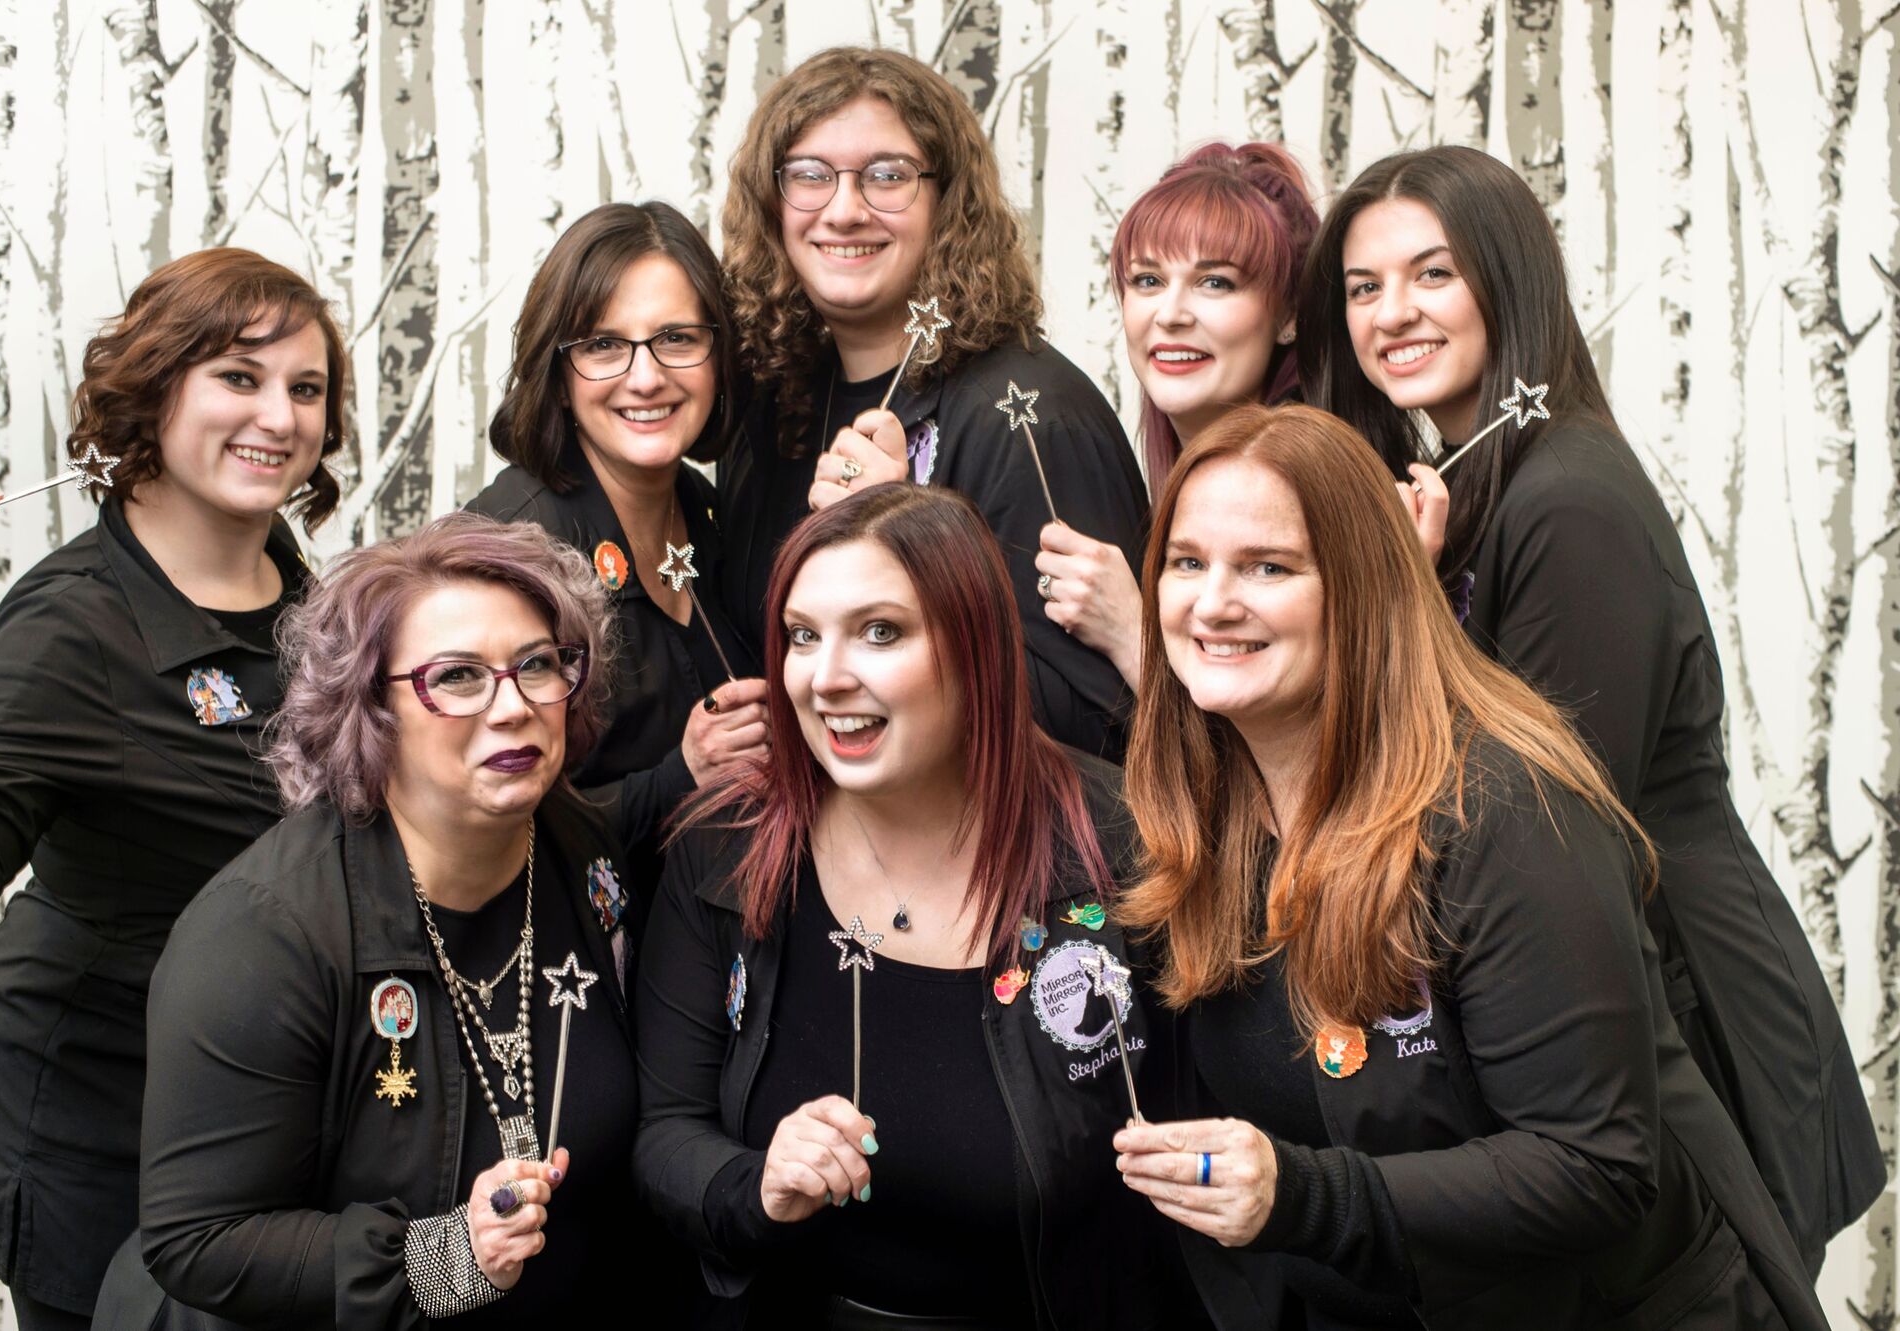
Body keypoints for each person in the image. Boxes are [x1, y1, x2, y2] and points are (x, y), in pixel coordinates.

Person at [1297, 144, 1881, 1275]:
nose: (1390, 313)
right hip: (1620, 988)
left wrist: (1402, 608)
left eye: (1431, 275)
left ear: (1505, 283)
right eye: (1362, 288)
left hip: (1687, 1006)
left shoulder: (1565, 498)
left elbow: (1549, 820)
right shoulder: (1479, 478)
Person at [1112, 403, 1825, 1329]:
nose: (1212, 603)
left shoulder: (1504, 806)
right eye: (1187, 562)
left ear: (1363, 588)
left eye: (1269, 567)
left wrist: (1302, 1195)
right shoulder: (1202, 808)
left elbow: (1594, 1164)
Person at [0, 249, 343, 1330]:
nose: (278, 415)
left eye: (306, 387)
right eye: (238, 377)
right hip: (88, 1123)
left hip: (243, 1119)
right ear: (154, 387)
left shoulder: (308, 594)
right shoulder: (73, 624)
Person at [634, 485, 1201, 1329]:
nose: (827, 678)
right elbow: (665, 1131)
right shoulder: (729, 845)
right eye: (801, 636)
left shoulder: (1123, 845)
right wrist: (756, 1183)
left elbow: (1213, 1137)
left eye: (880, 631)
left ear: (973, 648)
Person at [101, 514, 684, 1327]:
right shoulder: (261, 937)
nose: (512, 706)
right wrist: (445, 1261)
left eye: (538, 664)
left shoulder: (578, 847)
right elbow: (197, 1238)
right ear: (368, 708)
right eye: (456, 677)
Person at [716, 45, 1147, 761]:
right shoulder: (772, 405)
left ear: (950, 203)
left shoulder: (1027, 412)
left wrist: (911, 545)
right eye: (810, 176)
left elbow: (1096, 725)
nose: (845, 210)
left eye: (888, 176)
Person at [1034, 141, 1449, 695]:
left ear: (1289, 317)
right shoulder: (1194, 473)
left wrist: (1129, 632)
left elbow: (1293, 747)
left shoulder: (1313, 481)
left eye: (1215, 282)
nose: (1171, 315)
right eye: (1148, 281)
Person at [467, 202, 768, 890]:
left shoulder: (715, 513)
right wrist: (679, 776)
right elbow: (471, 813)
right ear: (559, 374)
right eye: (604, 345)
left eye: (677, 338)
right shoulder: (506, 551)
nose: (646, 376)